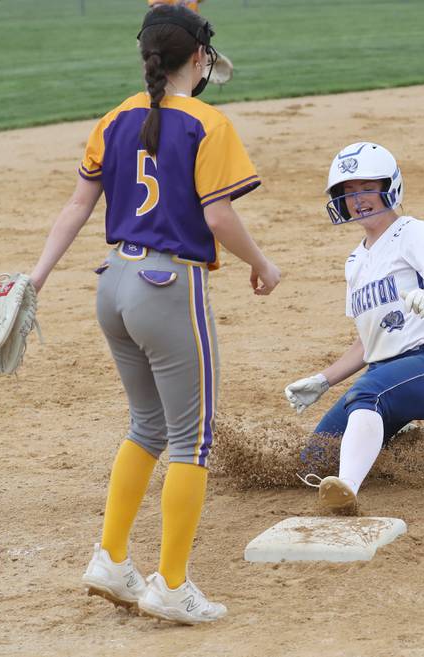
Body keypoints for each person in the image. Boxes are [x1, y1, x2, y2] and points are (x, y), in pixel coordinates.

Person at [29, 5, 279, 624]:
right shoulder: (206, 121)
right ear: (200, 58)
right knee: (191, 439)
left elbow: (79, 203)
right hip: (168, 287)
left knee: (147, 427)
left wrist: (34, 279)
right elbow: (218, 217)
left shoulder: (114, 118)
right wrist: (263, 264)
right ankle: (171, 584)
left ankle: (111, 559)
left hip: (112, 284)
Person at [285, 142, 424, 513]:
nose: (358, 199)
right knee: (312, 463)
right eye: (348, 192)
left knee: (366, 393)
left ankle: (347, 491)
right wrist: (324, 380)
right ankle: (398, 438)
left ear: (390, 186)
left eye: (367, 187)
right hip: (384, 376)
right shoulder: (355, 261)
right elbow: (367, 343)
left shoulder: (411, 232)